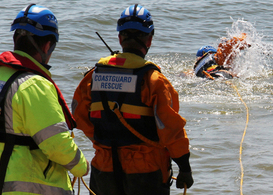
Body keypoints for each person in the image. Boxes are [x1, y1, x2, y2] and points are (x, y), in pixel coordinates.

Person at [72, 4, 193, 195]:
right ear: (149, 39)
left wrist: (104, 143)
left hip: (104, 168)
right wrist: (184, 167)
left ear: (120, 38)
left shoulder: (92, 77)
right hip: (146, 172)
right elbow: (171, 129)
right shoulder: (153, 80)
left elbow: (78, 117)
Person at [0, 4, 89, 195]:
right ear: (47, 45)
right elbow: (56, 144)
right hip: (30, 188)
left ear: (16, 39)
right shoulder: (33, 84)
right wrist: (82, 166)